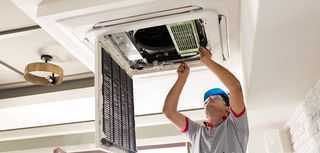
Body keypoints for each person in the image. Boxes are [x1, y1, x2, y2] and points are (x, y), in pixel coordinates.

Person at [162, 47, 249, 153]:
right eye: (206, 101)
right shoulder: (197, 133)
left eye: (216, 97)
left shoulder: (235, 126)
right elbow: (169, 111)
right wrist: (182, 78)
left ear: (228, 108)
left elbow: (235, 88)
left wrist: (208, 62)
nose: (210, 99)